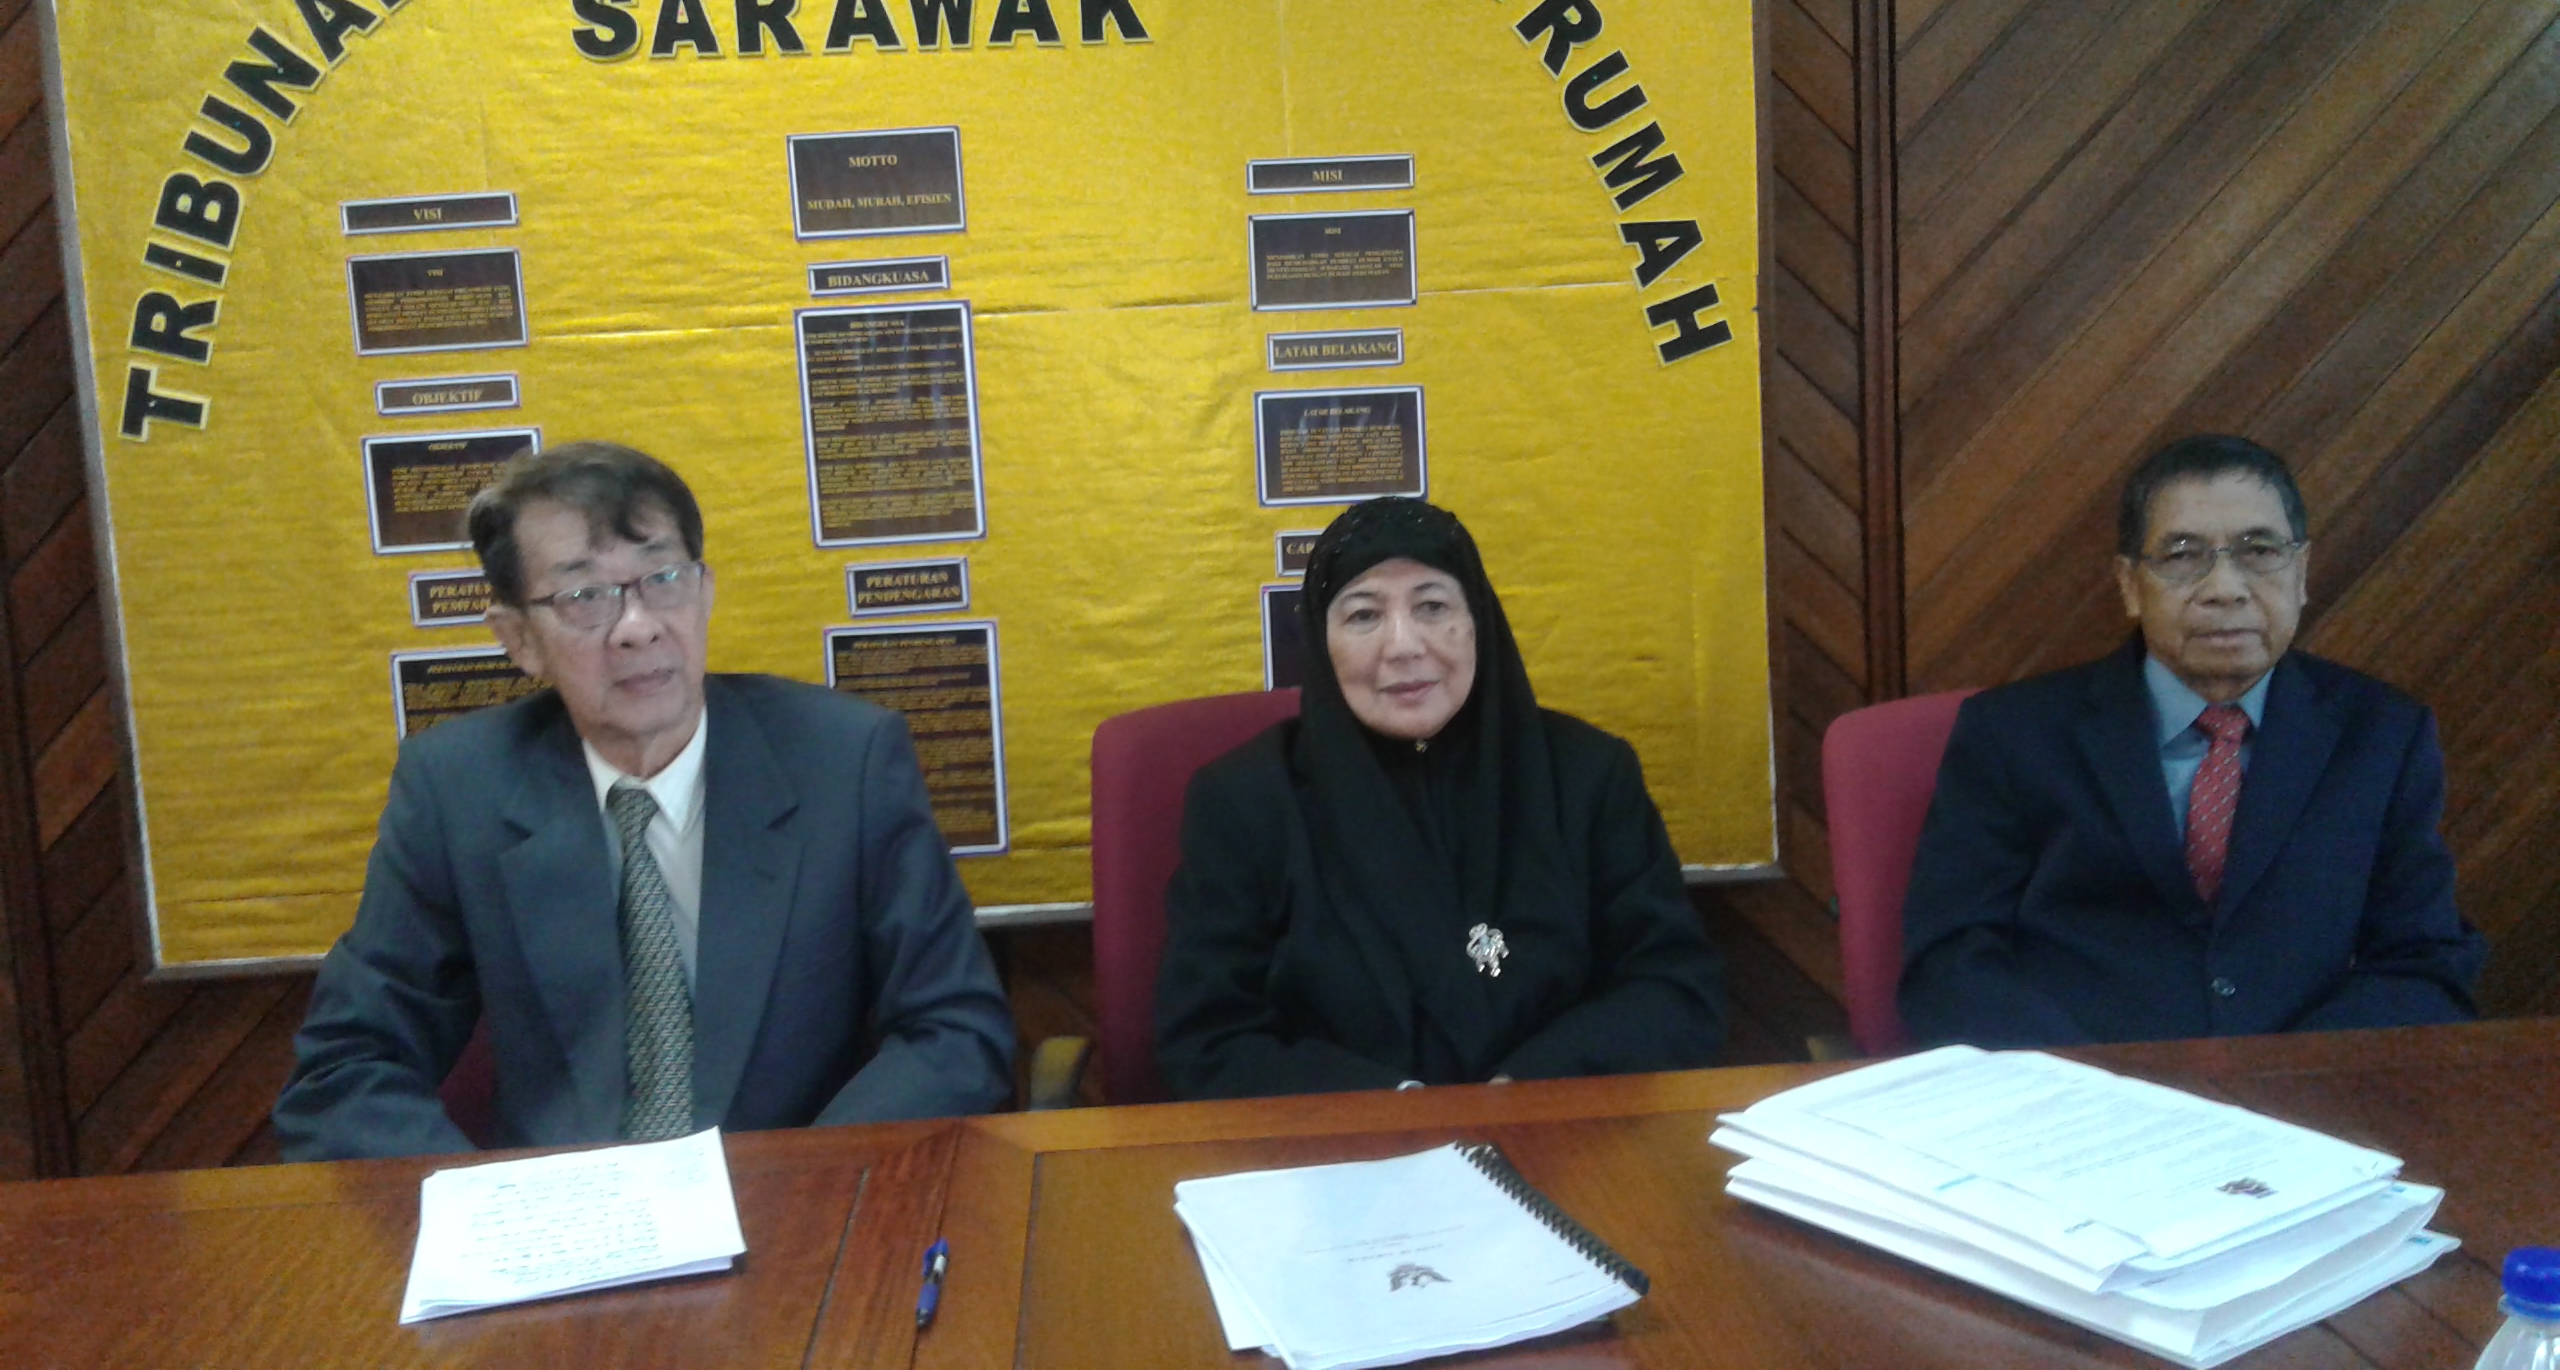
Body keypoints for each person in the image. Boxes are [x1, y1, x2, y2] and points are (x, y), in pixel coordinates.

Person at [275, 442, 1013, 1159]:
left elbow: (955, 1030)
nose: (638, 627)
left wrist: (794, 1188)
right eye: (585, 597)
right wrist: (496, 1210)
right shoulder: (458, 788)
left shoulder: (843, 761)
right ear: (519, 638)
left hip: (792, 1193)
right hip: (563, 1215)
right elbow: (346, 1068)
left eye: (663, 579)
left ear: (705, 592)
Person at [1898, 434, 2485, 1049]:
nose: (2224, 588)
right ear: (2130, 584)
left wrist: (2291, 1074)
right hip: (2079, 1083)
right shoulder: (2012, 734)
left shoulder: (2383, 735)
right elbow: (1950, 960)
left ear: (2301, 572)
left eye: (2260, 551)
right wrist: (2076, 1079)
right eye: (2183, 555)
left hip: (2303, 1085)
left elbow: (2424, 959)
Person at [1154, 496, 1726, 1098]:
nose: (1403, 645)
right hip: (1346, 1144)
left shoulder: (1590, 776)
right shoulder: (1244, 801)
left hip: (1560, 1128)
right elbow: (1208, 1038)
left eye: (1432, 606)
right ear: (1322, 642)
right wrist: (1400, 1110)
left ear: (1478, 621)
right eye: (1364, 615)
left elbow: (1674, 987)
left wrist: (1523, 1089)